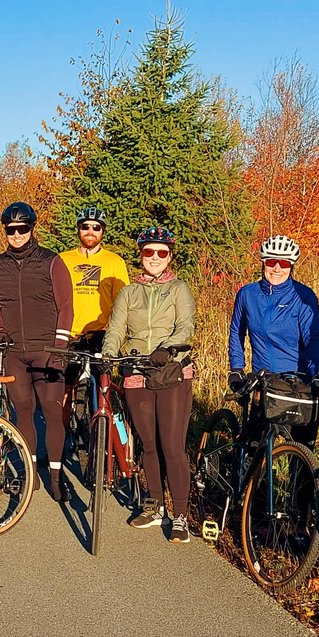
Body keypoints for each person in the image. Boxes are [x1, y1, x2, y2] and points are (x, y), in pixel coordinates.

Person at [102, 226, 196, 542]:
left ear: (169, 257)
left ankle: (180, 514)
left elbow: (185, 326)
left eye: (161, 252)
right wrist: (108, 353)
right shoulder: (129, 292)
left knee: (171, 445)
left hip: (171, 372)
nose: (154, 257)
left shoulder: (179, 289)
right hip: (136, 370)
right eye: (148, 252)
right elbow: (116, 329)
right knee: (149, 444)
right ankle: (155, 505)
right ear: (141, 255)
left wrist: (168, 349)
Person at [0, 201, 74, 502]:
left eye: (23, 229)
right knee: (24, 412)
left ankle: (57, 476)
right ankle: (31, 472)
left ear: (32, 229)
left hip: (47, 350)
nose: (17, 234)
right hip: (14, 351)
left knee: (51, 412)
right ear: (6, 231)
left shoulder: (51, 261)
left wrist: (60, 347)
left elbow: (66, 307)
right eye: (11, 230)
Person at [227, 234, 319, 449]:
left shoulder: (303, 296)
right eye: (271, 262)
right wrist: (236, 368)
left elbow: (313, 338)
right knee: (254, 446)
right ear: (263, 263)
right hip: (263, 378)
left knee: (300, 449)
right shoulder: (247, 294)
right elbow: (237, 332)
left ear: (291, 266)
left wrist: (318, 373)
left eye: (283, 263)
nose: (276, 268)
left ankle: (300, 482)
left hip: (298, 380)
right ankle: (247, 478)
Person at [60, 206, 130, 353]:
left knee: (99, 376)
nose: (90, 232)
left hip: (100, 336)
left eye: (96, 227)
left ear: (102, 231)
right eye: (85, 226)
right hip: (68, 335)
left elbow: (122, 301)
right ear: (79, 229)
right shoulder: (63, 259)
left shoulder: (114, 261)